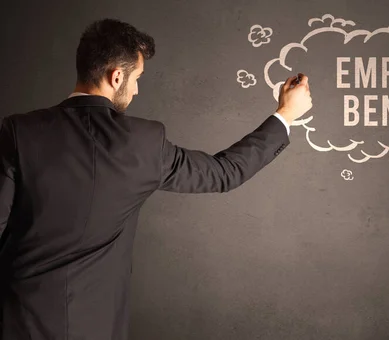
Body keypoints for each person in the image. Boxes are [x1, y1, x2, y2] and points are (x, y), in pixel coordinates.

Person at [0, 18, 312, 339]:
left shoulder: (18, 131)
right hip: (96, 327)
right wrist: (285, 114)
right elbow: (225, 173)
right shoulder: (145, 143)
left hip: (17, 322)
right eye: (137, 78)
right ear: (116, 76)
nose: (136, 89)